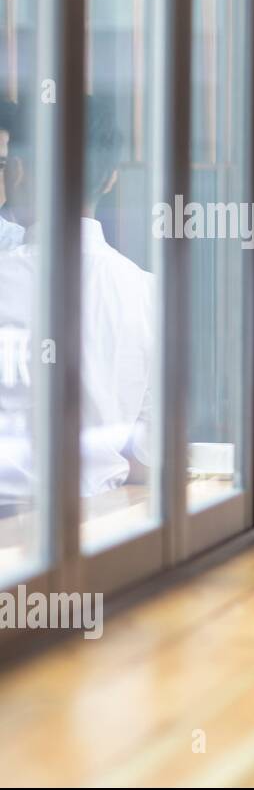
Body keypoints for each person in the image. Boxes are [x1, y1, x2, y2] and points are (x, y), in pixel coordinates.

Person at [0, 96, 155, 505]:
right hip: (100, 527)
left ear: (17, 173)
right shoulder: (147, 292)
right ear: (110, 179)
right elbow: (148, 452)